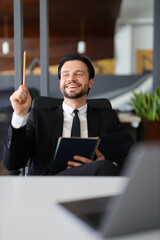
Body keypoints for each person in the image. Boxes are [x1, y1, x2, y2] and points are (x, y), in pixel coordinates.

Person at [3, 53, 134, 176]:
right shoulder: (39, 117)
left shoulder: (107, 117)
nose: (71, 79)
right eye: (65, 75)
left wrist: (106, 162)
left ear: (90, 82)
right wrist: (19, 114)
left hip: (91, 186)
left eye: (79, 74)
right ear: (60, 83)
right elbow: (12, 163)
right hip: (48, 187)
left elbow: (132, 155)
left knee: (106, 167)